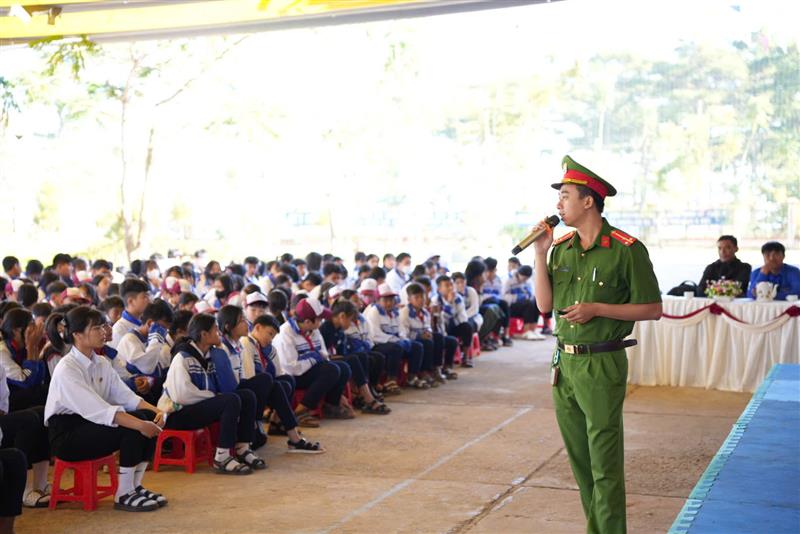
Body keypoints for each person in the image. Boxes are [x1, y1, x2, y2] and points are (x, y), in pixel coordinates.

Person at [533, 155, 662, 534]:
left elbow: (653, 308)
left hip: (601, 364)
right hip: (564, 364)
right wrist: (541, 253)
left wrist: (598, 309)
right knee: (581, 463)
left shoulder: (626, 248)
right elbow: (544, 305)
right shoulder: (561, 248)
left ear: (589, 201)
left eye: (566, 195)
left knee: (604, 463)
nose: (559, 204)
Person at [44, 306, 168, 511]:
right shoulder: (67, 368)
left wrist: (156, 412)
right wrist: (140, 424)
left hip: (90, 425)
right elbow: (99, 411)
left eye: (103, 326)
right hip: (67, 436)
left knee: (145, 416)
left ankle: (135, 486)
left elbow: (126, 397)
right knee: (133, 426)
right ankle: (124, 493)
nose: (104, 331)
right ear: (77, 335)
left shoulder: (100, 361)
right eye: (96, 327)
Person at [158, 313, 264, 474]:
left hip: (197, 407)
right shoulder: (183, 356)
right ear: (204, 334)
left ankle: (242, 448)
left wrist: (221, 356)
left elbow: (229, 387)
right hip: (177, 414)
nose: (219, 333)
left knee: (247, 395)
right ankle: (222, 457)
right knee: (230, 400)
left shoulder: (212, 355)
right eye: (215, 330)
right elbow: (182, 395)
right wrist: (214, 397)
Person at [273, 298, 354, 427]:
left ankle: (331, 404)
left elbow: (324, 354)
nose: (322, 321)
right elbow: (292, 367)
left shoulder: (314, 330)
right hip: (292, 376)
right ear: (307, 321)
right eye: (319, 319)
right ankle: (300, 412)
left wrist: (313, 357)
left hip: (308, 369)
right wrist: (314, 357)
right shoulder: (286, 333)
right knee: (331, 370)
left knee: (344, 367)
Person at [503, 265, 545, 340]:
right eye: (524, 278)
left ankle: (533, 329)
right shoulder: (508, 280)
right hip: (510, 307)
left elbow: (532, 294)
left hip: (524, 305)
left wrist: (529, 295)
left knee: (536, 302)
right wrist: (517, 297)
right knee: (528, 303)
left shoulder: (528, 281)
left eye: (527, 278)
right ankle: (526, 331)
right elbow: (503, 297)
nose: (525, 280)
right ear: (519, 273)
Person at [110, 278, 152, 349]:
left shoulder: (145, 322)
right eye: (145, 296)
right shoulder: (119, 330)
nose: (149, 301)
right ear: (130, 301)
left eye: (148, 296)